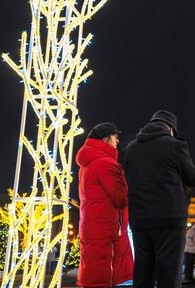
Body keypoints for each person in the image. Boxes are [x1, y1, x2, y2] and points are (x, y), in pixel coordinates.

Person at [124, 110, 195, 288]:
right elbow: (193, 178)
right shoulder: (174, 145)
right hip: (169, 219)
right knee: (169, 276)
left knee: (143, 274)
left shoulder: (130, 149)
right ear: (171, 128)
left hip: (139, 220)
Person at [75, 122, 133, 288]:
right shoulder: (106, 163)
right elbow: (121, 198)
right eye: (115, 137)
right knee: (102, 275)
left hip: (92, 226)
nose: (118, 141)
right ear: (106, 139)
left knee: (93, 273)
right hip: (105, 228)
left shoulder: (88, 164)